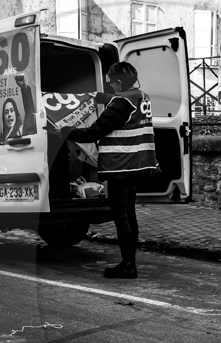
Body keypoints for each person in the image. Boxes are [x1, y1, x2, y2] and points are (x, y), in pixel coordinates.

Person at [65, 61, 158, 279]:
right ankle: (129, 262)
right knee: (129, 213)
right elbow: (124, 108)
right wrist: (105, 98)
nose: (110, 86)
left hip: (121, 165)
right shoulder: (141, 96)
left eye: (111, 82)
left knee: (120, 215)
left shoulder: (120, 104)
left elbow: (92, 133)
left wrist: (64, 131)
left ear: (118, 82)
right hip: (138, 163)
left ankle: (128, 265)